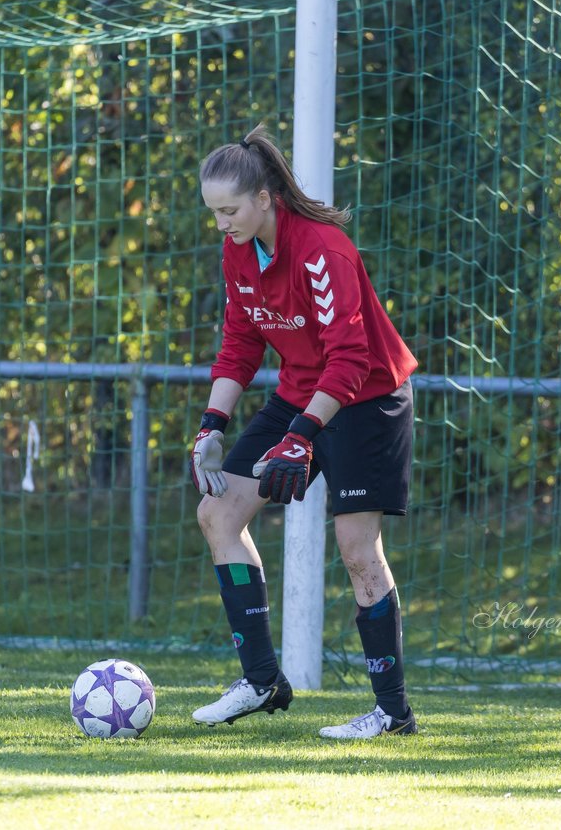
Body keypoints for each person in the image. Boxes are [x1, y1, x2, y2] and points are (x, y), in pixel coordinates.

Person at [188, 123, 420, 739]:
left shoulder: (323, 249)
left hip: (367, 398)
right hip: (301, 393)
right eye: (213, 212)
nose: (222, 223)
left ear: (264, 197)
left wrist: (303, 435)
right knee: (218, 515)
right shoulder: (237, 250)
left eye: (229, 210)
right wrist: (213, 424)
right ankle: (262, 681)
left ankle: (393, 714)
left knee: (357, 550)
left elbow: (350, 358)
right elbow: (240, 344)